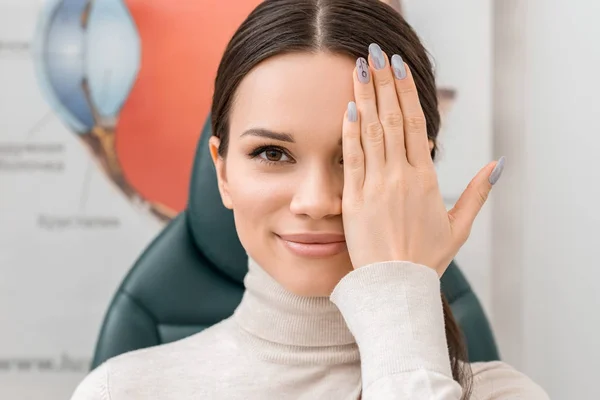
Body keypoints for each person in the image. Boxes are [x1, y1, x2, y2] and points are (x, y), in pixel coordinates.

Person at [71, 0, 549, 398]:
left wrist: (401, 313)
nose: (317, 201)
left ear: (414, 174)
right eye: (272, 153)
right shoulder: (121, 391)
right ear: (222, 172)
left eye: (357, 155)